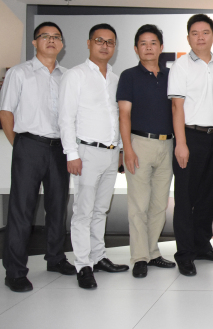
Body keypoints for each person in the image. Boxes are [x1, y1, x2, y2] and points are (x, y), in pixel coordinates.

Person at [1, 22, 74, 292]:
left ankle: (55, 258)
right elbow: (6, 113)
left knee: (57, 207)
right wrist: (20, 145)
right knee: (22, 210)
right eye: (45, 36)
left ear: (62, 44)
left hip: (59, 148)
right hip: (29, 145)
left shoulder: (67, 76)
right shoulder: (19, 73)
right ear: (35, 42)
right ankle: (15, 271)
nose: (51, 40)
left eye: (56, 37)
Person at [59, 23, 128, 289]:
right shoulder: (75, 75)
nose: (105, 46)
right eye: (99, 40)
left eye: (110, 42)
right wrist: (71, 154)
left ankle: (98, 257)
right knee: (83, 211)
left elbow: (118, 117)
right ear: (89, 43)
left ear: (115, 47)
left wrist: (120, 149)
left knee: (101, 209)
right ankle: (83, 264)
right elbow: (66, 118)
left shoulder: (115, 79)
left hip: (110, 153)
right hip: (85, 152)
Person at [167, 14, 213, 276]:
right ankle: (184, 254)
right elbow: (176, 106)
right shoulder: (180, 66)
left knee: (207, 196)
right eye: (195, 33)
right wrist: (181, 143)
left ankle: (202, 246)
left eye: (205, 32)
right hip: (190, 137)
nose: (200, 37)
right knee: (185, 199)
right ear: (188, 38)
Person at [117, 24, 177, 278]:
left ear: (161, 47)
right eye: (143, 43)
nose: (149, 47)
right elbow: (124, 114)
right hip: (139, 143)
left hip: (168, 144)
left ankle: (152, 252)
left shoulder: (171, 76)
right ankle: (139, 257)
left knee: (159, 205)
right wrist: (127, 149)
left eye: (153, 43)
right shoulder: (129, 76)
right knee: (138, 205)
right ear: (136, 48)